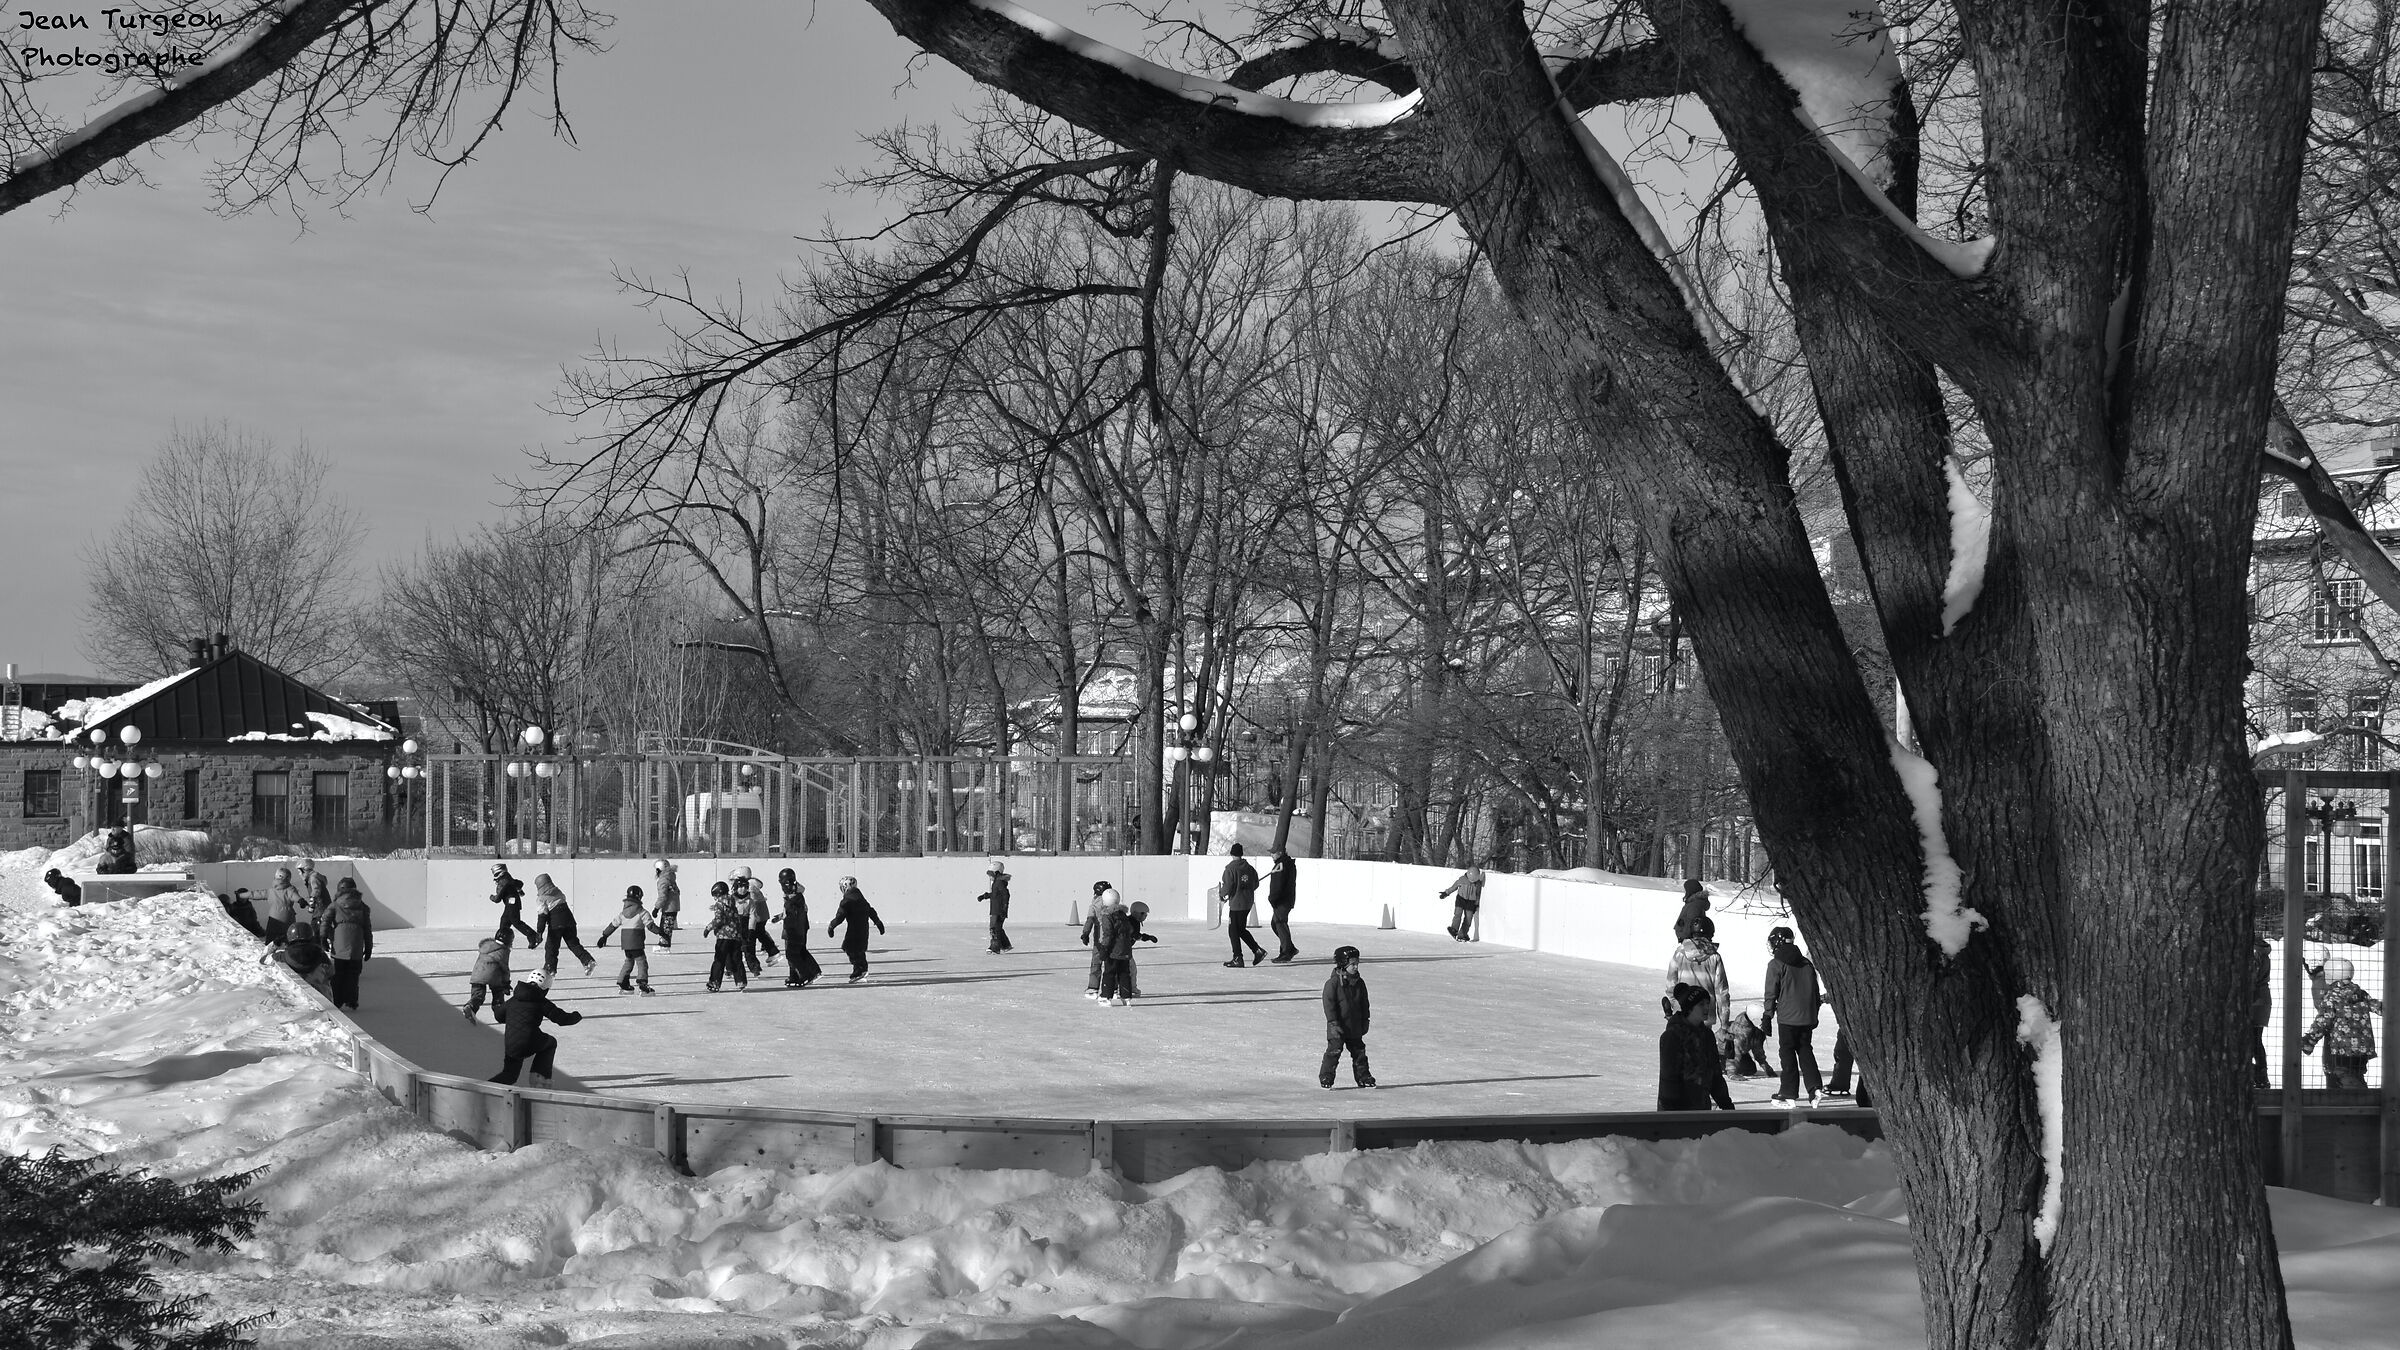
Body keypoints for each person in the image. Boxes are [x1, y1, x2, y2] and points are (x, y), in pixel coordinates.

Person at [1762, 925, 1826, 1107]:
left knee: (1787, 1052)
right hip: (1806, 1017)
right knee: (1805, 1050)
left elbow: (1771, 992)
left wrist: (1767, 1016)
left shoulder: (1776, 964)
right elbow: (1815, 991)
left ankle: (1788, 1092)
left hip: (1788, 1018)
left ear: (1776, 942)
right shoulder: (1807, 964)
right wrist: (1814, 1015)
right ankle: (1815, 1088)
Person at [2302, 956, 2384, 1089]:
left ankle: (2357, 1104)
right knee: (2356, 1074)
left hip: (2342, 1049)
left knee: (2345, 1078)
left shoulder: (2332, 997)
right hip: (2363, 1050)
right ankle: (2360, 1101)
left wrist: (2309, 1040)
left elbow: (2323, 1021)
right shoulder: (2360, 993)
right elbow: (2378, 1007)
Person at [490, 973, 583, 1088]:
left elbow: (499, 1016)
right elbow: (562, 1019)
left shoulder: (513, 1000)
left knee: (510, 1075)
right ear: (545, 988)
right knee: (550, 1043)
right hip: (530, 1040)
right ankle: (540, 1080)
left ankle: (484, 1089)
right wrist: (577, 1016)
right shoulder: (540, 1001)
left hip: (511, 1043)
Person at [1658, 982, 1736, 1110]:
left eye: (1707, 1003)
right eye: (1701, 1004)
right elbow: (1669, 1078)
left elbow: (1715, 1075)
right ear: (1689, 1008)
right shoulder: (1672, 1036)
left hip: (1702, 1108)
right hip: (1675, 1112)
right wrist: (1671, 1114)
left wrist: (1726, 1105)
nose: (1706, 1008)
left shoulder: (1707, 1035)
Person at [1319, 945, 1376, 1089]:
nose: (1356, 967)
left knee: (1359, 1053)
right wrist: (1333, 1023)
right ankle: (1326, 1076)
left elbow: (1364, 1003)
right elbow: (1329, 1004)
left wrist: (1365, 1020)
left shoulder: (1359, 983)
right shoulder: (1333, 983)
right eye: (1352, 964)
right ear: (1343, 964)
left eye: (1357, 964)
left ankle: (1363, 1076)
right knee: (1334, 1051)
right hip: (1337, 1026)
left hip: (1354, 1025)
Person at [1666, 930, 1731, 1054]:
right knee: (1703, 1053)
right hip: (1705, 1013)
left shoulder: (1680, 953)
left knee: (1684, 1054)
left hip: (1683, 1014)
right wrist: (1724, 1023)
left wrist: (1675, 1007)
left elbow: (1671, 985)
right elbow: (1721, 992)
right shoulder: (1714, 957)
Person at [595, 885, 661, 996]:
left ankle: (623, 982)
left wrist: (604, 936)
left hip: (625, 943)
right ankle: (643, 984)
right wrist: (661, 932)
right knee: (642, 962)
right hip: (636, 941)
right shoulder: (642, 912)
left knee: (629, 961)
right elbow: (650, 926)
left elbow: (613, 925)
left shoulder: (622, 913)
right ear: (639, 897)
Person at [530, 873, 597, 978]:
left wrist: (539, 932)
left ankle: (550, 969)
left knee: (551, 947)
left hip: (556, 924)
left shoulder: (541, 899)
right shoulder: (558, 892)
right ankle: (588, 961)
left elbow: (542, 916)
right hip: (569, 921)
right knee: (574, 944)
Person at [1099, 898, 1160, 1006]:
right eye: (1144, 914)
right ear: (1137, 913)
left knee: (1114, 972)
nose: (1145, 917)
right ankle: (1127, 993)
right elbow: (1133, 934)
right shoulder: (1126, 919)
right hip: (1123, 950)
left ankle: (1111, 993)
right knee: (1124, 972)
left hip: (1117, 950)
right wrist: (1146, 937)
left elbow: (1131, 935)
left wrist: (1147, 937)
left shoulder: (1116, 917)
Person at [326, 877, 374, 1011]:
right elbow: (367, 928)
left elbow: (325, 920)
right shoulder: (363, 906)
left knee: (337, 974)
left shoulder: (335, 904)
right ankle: (352, 1000)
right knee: (353, 974)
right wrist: (368, 946)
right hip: (356, 946)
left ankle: (337, 1000)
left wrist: (323, 936)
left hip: (339, 945)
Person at [826, 877, 885, 982]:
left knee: (849, 948)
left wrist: (832, 926)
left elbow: (840, 916)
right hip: (864, 929)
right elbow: (871, 911)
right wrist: (878, 922)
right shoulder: (861, 899)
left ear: (845, 887)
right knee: (859, 949)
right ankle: (861, 968)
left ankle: (859, 969)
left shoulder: (847, 901)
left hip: (853, 929)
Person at [266, 917, 334, 998]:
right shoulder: (321, 954)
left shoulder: (284, 955)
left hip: (297, 996)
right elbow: (331, 971)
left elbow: (264, 960)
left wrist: (274, 945)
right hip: (322, 995)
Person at [1221, 844, 1265, 967]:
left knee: (1233, 931)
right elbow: (1255, 883)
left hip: (1236, 904)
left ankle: (1238, 957)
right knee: (1240, 929)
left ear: (1232, 854)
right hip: (1248, 902)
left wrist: (1221, 894)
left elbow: (1228, 886)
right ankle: (1257, 951)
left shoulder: (1230, 868)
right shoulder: (1249, 868)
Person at [702, 882, 749, 993]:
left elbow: (719, 920)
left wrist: (708, 928)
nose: (714, 898)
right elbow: (736, 918)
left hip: (723, 937)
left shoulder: (719, 904)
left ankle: (714, 982)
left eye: (714, 895)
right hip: (735, 937)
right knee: (736, 959)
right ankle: (741, 981)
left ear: (718, 894)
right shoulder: (732, 902)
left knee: (719, 960)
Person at [779, 868, 822, 987]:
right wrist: (781, 916)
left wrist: (791, 926)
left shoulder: (794, 897)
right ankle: (800, 975)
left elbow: (795, 913)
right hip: (798, 928)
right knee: (799, 951)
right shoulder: (793, 895)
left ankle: (806, 974)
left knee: (792, 954)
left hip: (795, 929)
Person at [1081, 883, 1124, 999]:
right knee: (1111, 964)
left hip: (1099, 939)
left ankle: (1093, 988)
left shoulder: (1094, 904)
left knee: (1096, 963)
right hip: (1113, 938)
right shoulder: (1114, 903)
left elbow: (1090, 920)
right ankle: (1113, 989)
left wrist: (1085, 933)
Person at [740, 870, 781, 976]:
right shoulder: (752, 884)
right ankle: (772, 952)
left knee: (754, 934)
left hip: (758, 914)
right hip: (761, 913)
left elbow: (751, 902)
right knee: (760, 933)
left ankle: (772, 952)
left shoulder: (749, 886)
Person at [462, 936, 512, 1021]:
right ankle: (500, 1014)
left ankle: (470, 1006)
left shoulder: (485, 947)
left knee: (478, 995)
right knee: (498, 993)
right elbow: (505, 968)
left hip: (477, 973)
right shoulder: (504, 950)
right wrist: (506, 983)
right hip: (494, 975)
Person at [490, 863, 538, 946]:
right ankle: (502, 940)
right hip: (511, 904)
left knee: (516, 922)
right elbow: (518, 883)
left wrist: (492, 897)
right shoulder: (507, 878)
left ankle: (533, 936)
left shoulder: (503, 881)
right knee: (504, 922)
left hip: (512, 904)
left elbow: (498, 898)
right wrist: (518, 890)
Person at [1265, 848, 1300, 962]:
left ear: (1280, 853)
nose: (1271, 855)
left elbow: (1277, 885)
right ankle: (1289, 948)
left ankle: (1286, 952)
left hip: (1282, 900)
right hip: (1286, 899)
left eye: (1273, 853)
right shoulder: (1287, 864)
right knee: (1276, 923)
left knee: (1279, 923)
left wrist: (1273, 898)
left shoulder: (1280, 866)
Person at [2250, 932, 2275, 1089]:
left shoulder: (2253, 953)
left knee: (2251, 1039)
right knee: (2255, 1040)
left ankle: (2257, 1076)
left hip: (2254, 999)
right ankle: (2261, 1076)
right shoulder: (2261, 951)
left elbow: (2250, 979)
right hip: (2262, 998)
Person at [1441, 862, 1486, 941]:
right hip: (1461, 899)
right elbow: (1454, 887)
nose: (1472, 881)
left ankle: (1462, 934)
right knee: (1457, 914)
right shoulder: (1462, 879)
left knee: (1468, 919)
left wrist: (1476, 904)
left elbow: (1478, 895)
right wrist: (1446, 893)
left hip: (1471, 902)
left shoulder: (1478, 884)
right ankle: (1454, 929)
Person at [978, 861, 1014, 954]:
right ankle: (1005, 945)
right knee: (998, 928)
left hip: (998, 910)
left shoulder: (999, 883)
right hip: (995, 909)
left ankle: (995, 947)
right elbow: (995, 895)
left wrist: (1004, 909)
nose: (989, 877)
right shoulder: (997, 882)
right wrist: (984, 896)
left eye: (991, 874)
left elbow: (1006, 895)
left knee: (994, 928)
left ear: (997, 872)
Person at [263, 866, 304, 945]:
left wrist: (242, 895)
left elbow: (256, 894)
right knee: (289, 940)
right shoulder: (290, 889)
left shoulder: (270, 891)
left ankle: (269, 955)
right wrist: (300, 900)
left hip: (273, 919)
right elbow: (293, 895)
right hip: (288, 918)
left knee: (270, 941)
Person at [653, 859, 682, 949]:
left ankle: (664, 945)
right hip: (673, 906)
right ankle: (664, 943)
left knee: (665, 927)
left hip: (669, 907)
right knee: (666, 926)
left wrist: (656, 908)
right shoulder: (671, 877)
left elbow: (663, 896)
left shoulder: (663, 880)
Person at [1672, 879, 1712, 943]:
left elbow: (1691, 923)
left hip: (1689, 941)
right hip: (1690, 940)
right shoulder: (1694, 903)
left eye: (1686, 890)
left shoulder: (1694, 905)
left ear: (1690, 891)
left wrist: (1684, 937)